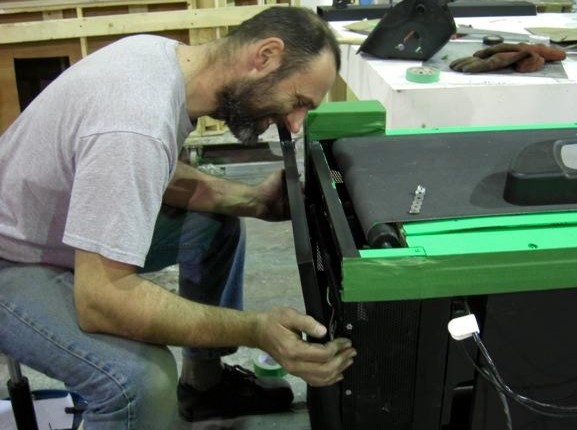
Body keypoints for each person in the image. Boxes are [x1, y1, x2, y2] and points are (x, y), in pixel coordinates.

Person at [0, 6, 356, 428]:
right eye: (298, 102)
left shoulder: (162, 61)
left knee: (213, 223)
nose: (295, 125)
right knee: (140, 383)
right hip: (13, 259)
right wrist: (256, 330)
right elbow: (101, 301)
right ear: (265, 56)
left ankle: (204, 386)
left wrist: (252, 200)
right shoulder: (137, 119)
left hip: (54, 228)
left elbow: (147, 171)